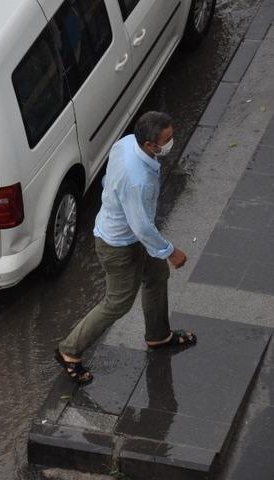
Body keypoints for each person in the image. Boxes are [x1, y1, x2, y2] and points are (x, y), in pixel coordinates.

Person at [54, 111, 196, 384]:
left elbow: (111, 183)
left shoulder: (127, 143)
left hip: (132, 236)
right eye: (167, 140)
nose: (171, 142)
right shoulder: (138, 180)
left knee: (156, 277)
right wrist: (170, 252)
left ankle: (158, 336)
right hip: (120, 246)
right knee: (117, 303)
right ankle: (69, 351)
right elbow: (142, 226)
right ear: (149, 145)